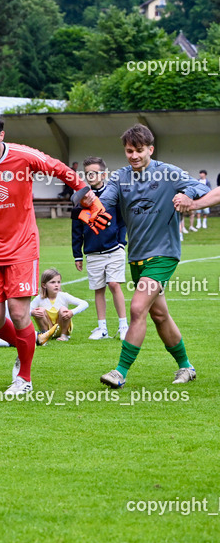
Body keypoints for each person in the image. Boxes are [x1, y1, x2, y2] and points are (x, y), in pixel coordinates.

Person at [0, 113, 108, 394]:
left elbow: (60, 169)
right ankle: (26, 343)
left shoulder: (23, 156)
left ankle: (24, 378)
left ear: (1, 135)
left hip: (22, 248)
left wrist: (87, 194)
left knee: (19, 313)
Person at [97, 125, 211, 388]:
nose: (134, 155)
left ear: (150, 149)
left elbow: (197, 187)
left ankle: (120, 372)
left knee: (137, 309)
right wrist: (92, 203)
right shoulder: (120, 177)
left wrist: (187, 195)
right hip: (136, 257)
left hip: (163, 254)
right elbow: (107, 201)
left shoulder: (169, 172)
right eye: (129, 151)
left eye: (139, 150)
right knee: (159, 316)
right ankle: (186, 367)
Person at [71, 156, 128, 341]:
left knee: (114, 284)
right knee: (99, 289)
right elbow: (76, 228)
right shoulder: (81, 197)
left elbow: (122, 221)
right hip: (93, 252)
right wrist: (77, 254)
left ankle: (123, 326)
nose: (90, 176)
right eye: (87, 173)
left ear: (103, 174)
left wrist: (121, 242)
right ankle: (102, 328)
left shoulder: (113, 194)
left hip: (114, 249)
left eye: (94, 173)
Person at [29, 268, 89, 343]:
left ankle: (64, 335)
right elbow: (25, 311)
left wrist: (72, 312)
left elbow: (85, 304)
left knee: (63, 309)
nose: (56, 285)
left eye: (58, 282)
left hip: (61, 327)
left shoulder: (63, 296)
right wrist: (32, 313)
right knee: (40, 310)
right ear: (44, 285)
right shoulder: (39, 298)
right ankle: (45, 334)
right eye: (53, 282)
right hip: (48, 328)